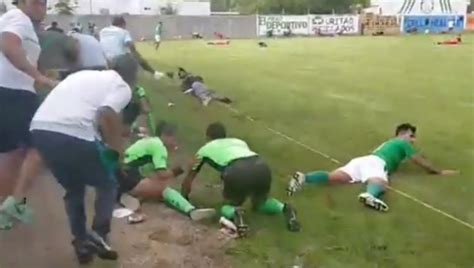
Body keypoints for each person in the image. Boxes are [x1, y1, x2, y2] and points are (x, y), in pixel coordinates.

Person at [26, 54, 138, 264]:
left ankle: (81, 243)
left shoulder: (84, 76)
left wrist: (103, 147)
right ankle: (99, 234)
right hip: (73, 131)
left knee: (74, 188)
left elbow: (95, 117)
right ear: (133, 75)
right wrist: (117, 153)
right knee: (108, 183)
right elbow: (106, 114)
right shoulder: (122, 85)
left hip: (40, 130)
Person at [287, 123, 459, 212]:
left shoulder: (389, 144)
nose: (413, 140)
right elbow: (418, 159)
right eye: (411, 135)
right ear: (403, 133)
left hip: (362, 160)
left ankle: (304, 177)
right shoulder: (401, 142)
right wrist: (439, 171)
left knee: (336, 177)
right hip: (376, 162)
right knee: (379, 181)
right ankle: (369, 195)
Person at [181, 122, 300, 237]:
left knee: (228, 206)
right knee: (260, 203)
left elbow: (191, 175)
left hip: (237, 170)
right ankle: (284, 208)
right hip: (262, 167)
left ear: (208, 137)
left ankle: (236, 213)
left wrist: (184, 195)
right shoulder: (239, 141)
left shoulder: (205, 149)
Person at [0, 0, 56, 229]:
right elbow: (9, 45)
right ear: (22, 3)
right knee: (34, 146)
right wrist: (38, 77)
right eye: (36, 2)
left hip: (20, 93)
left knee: (16, 153)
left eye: (44, 3)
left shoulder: (27, 25)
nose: (41, 8)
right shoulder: (16, 18)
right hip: (11, 93)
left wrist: (41, 76)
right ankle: (12, 203)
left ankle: (9, 206)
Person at [117, 121, 216, 221]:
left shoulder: (151, 141)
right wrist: (183, 168)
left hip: (119, 173)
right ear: (165, 135)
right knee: (163, 188)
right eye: (173, 138)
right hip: (127, 175)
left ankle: (127, 193)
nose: (175, 141)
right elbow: (162, 174)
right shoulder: (159, 146)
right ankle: (191, 210)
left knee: (154, 185)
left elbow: (151, 171)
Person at [99, 16, 163, 80]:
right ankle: (153, 73)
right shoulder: (124, 32)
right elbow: (129, 44)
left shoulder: (102, 31)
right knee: (135, 56)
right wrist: (135, 53)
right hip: (118, 60)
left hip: (104, 60)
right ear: (123, 24)